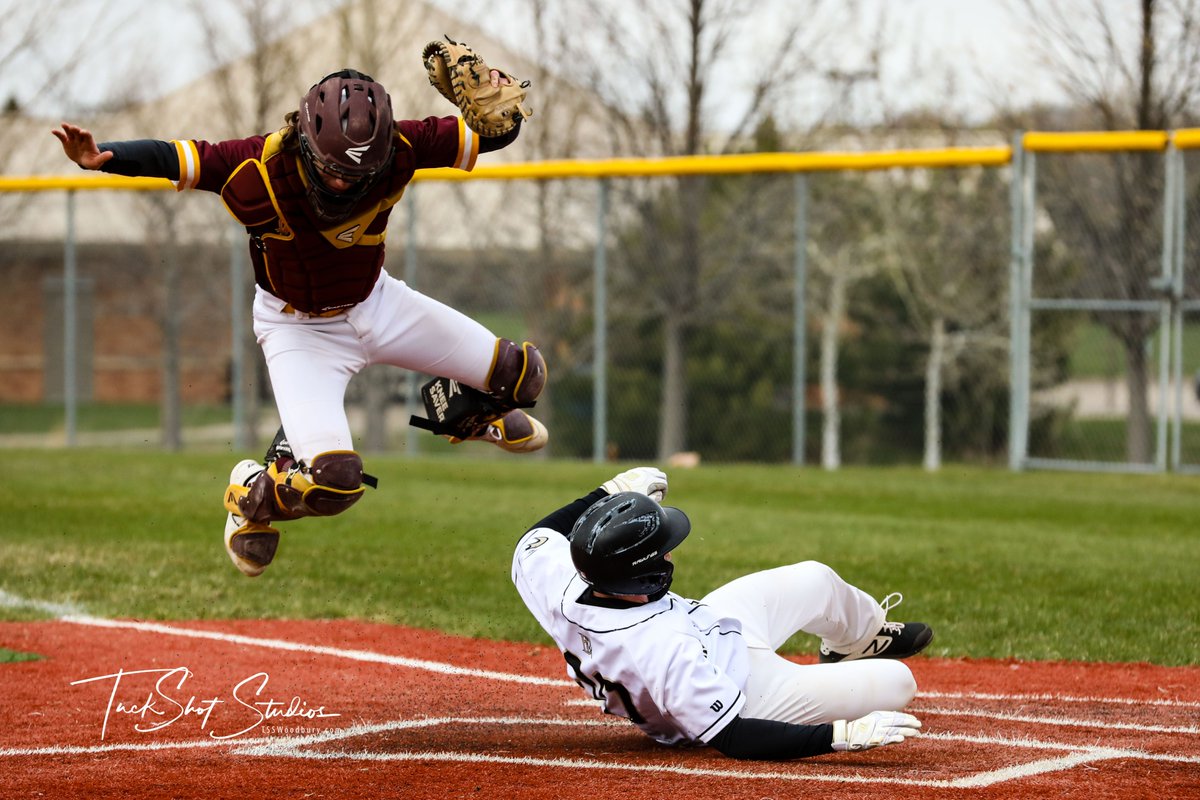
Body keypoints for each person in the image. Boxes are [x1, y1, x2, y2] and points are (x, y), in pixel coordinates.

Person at [53, 68, 548, 578]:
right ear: (306, 142)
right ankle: (254, 496)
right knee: (335, 482)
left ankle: (462, 410)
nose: (344, 181)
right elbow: (179, 156)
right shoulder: (259, 165)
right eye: (334, 168)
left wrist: (499, 104)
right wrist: (101, 156)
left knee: (523, 373)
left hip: (376, 303)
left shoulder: (401, 145)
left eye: (359, 172)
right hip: (299, 330)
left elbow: (491, 132)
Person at [512, 467, 932, 760]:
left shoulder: (561, 578)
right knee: (898, 681)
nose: (670, 550)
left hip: (712, 628)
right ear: (643, 574)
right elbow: (735, 736)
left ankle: (858, 640)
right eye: (662, 549)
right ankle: (853, 668)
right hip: (750, 695)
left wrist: (609, 491)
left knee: (815, 579)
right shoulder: (660, 649)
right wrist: (836, 736)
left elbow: (535, 538)